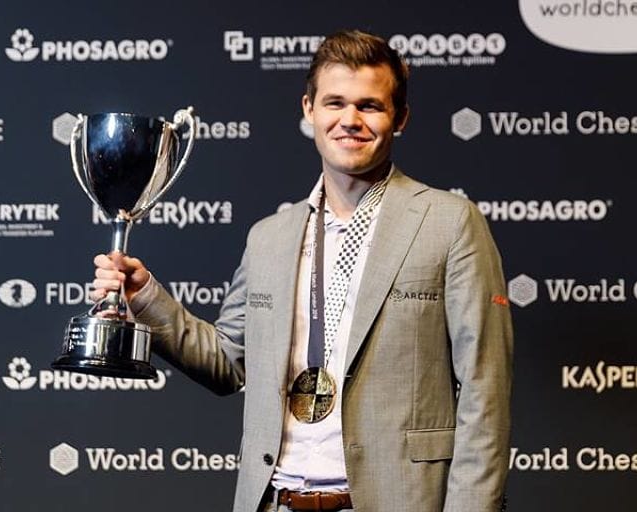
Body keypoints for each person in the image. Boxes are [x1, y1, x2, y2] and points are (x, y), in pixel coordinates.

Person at [92, 29, 513, 512]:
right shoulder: (269, 236)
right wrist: (145, 298)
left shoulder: (449, 222)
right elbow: (229, 362)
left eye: (370, 106)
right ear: (309, 110)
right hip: (277, 501)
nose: (350, 120)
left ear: (400, 119)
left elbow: (486, 388)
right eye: (334, 103)